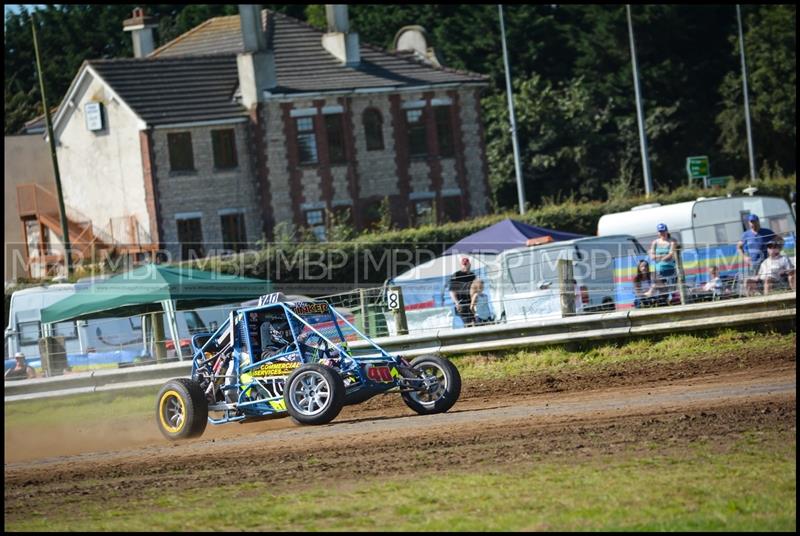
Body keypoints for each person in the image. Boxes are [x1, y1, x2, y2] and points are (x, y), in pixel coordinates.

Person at [649, 223, 678, 300]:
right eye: (660, 231)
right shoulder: (655, 242)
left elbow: (671, 254)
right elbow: (652, 256)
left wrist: (659, 257)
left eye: (663, 231)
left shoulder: (672, 241)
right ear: (658, 232)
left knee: (672, 289)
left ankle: (673, 300)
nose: (662, 233)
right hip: (659, 270)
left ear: (667, 231)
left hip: (670, 268)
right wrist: (664, 256)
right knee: (662, 290)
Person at [449, 257, 476, 327]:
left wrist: (474, 302)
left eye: (466, 264)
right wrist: (456, 302)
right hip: (461, 303)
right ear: (461, 265)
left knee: (474, 322)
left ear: (469, 264)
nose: (465, 266)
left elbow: (476, 289)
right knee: (468, 323)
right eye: (464, 264)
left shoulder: (473, 275)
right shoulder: (456, 275)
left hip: (471, 302)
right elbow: (452, 291)